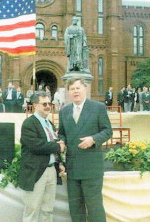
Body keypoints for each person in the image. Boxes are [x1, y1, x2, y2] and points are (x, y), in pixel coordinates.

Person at [58, 77, 112, 222]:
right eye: (72, 89)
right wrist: (61, 141)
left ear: (85, 89)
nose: (75, 91)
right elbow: (61, 132)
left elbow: (107, 131)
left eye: (78, 88)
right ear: (68, 92)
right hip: (73, 167)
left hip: (91, 167)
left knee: (94, 208)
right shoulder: (64, 111)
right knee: (76, 209)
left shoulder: (97, 107)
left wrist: (93, 139)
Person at [18, 91, 66, 222]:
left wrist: (60, 163)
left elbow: (53, 142)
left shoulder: (49, 123)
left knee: (48, 210)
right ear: (35, 105)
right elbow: (36, 146)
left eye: (49, 103)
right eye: (44, 103)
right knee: (32, 210)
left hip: (51, 171)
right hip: (36, 172)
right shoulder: (29, 123)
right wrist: (58, 147)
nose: (48, 106)